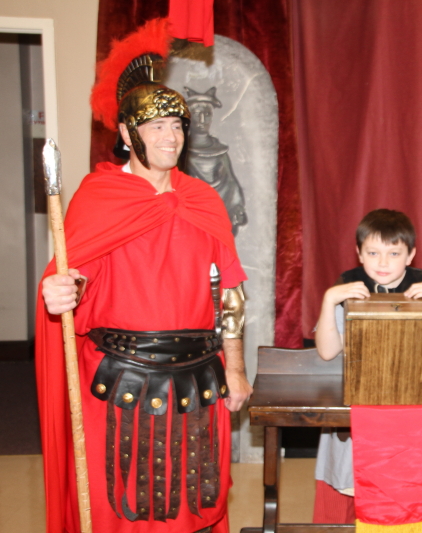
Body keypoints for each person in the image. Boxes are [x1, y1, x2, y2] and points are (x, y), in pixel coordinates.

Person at [36, 20, 252, 533]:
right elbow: (80, 276)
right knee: (122, 503)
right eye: (156, 126)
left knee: (193, 501)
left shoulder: (202, 199)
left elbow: (230, 294)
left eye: (176, 125)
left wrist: (238, 369)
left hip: (198, 376)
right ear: (126, 133)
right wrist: (62, 290)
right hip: (120, 377)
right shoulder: (99, 197)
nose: (170, 137)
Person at [312, 208, 422, 523]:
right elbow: (326, 352)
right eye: (373, 253)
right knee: (351, 486)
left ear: (411, 255)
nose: (382, 262)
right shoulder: (348, 285)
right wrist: (328, 300)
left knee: (410, 493)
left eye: (394, 253)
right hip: (360, 405)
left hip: (414, 406)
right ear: (359, 253)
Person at [184, 86, 248, 235]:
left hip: (218, 218)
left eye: (207, 114)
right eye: (197, 114)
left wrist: (236, 207)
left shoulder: (219, 152)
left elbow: (231, 183)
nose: (202, 119)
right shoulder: (180, 154)